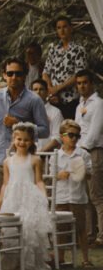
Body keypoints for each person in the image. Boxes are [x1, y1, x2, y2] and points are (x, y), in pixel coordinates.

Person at [0, 122, 52, 270]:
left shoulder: (35, 160)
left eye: (26, 140)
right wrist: (0, 199)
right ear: (14, 140)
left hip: (29, 198)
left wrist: (43, 196)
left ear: (32, 141)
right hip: (12, 198)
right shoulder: (7, 161)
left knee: (29, 229)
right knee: (11, 230)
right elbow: (5, 183)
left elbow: (39, 181)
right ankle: (14, 262)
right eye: (19, 139)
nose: (22, 142)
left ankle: (29, 263)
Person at [55, 119, 92, 267]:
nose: (74, 138)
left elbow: (89, 174)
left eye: (77, 136)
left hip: (77, 197)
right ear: (62, 136)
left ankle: (85, 258)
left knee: (81, 228)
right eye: (71, 135)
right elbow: (51, 176)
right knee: (61, 229)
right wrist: (59, 175)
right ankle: (60, 258)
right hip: (61, 197)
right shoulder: (56, 155)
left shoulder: (83, 154)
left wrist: (81, 171)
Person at [72, 69, 103, 246]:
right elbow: (77, 130)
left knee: (96, 194)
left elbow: (94, 132)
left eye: (85, 82)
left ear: (91, 84)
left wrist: (82, 150)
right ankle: (89, 235)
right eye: (79, 83)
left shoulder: (98, 104)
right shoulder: (79, 106)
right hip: (79, 151)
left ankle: (101, 235)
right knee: (84, 196)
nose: (82, 86)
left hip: (93, 151)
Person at [43, 15, 89, 119]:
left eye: (65, 27)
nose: (62, 30)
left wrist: (58, 88)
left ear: (71, 28)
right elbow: (45, 72)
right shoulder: (53, 50)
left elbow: (79, 75)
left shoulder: (78, 50)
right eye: (59, 28)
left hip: (71, 99)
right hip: (54, 99)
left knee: (69, 126)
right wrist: (50, 89)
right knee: (57, 126)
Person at [30, 78, 63, 151]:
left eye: (41, 89)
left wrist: (41, 153)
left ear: (47, 92)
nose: (38, 92)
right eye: (35, 89)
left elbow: (58, 137)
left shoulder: (55, 112)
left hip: (49, 154)